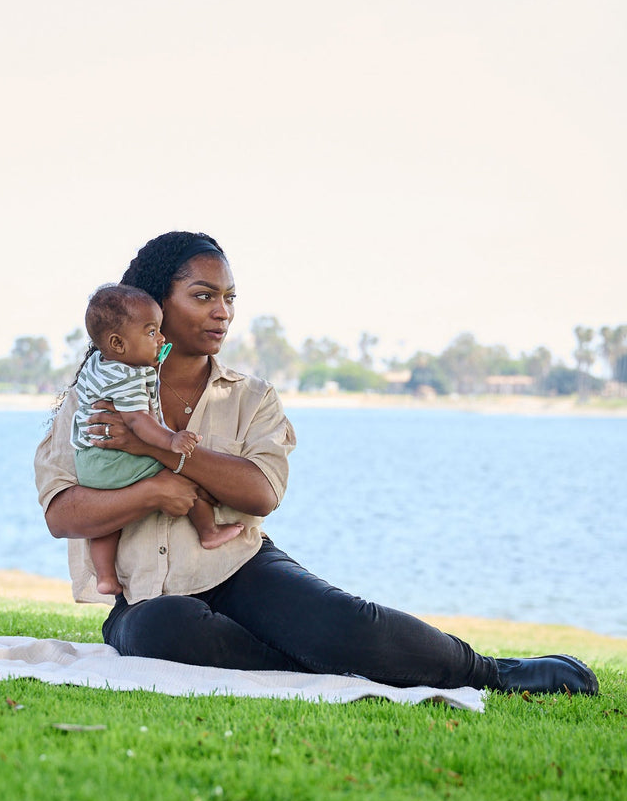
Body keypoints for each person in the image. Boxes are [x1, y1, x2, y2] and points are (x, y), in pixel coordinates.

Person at [35, 230, 599, 695]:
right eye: (204, 296)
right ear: (157, 302)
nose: (222, 313)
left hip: (241, 569)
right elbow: (64, 512)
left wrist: (160, 450)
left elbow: (260, 493)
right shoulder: (92, 396)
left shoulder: (250, 395)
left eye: (230, 298)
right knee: (166, 628)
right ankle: (314, 668)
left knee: (344, 623)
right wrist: (154, 493)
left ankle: (492, 673)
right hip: (143, 597)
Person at [72, 283, 245, 595]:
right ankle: (208, 531)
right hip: (115, 460)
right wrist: (171, 441)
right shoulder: (128, 378)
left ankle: (105, 576)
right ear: (118, 343)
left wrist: (148, 363)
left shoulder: (101, 365)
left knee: (106, 524)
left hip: (91, 462)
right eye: (152, 332)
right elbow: (139, 422)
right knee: (185, 478)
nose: (162, 339)